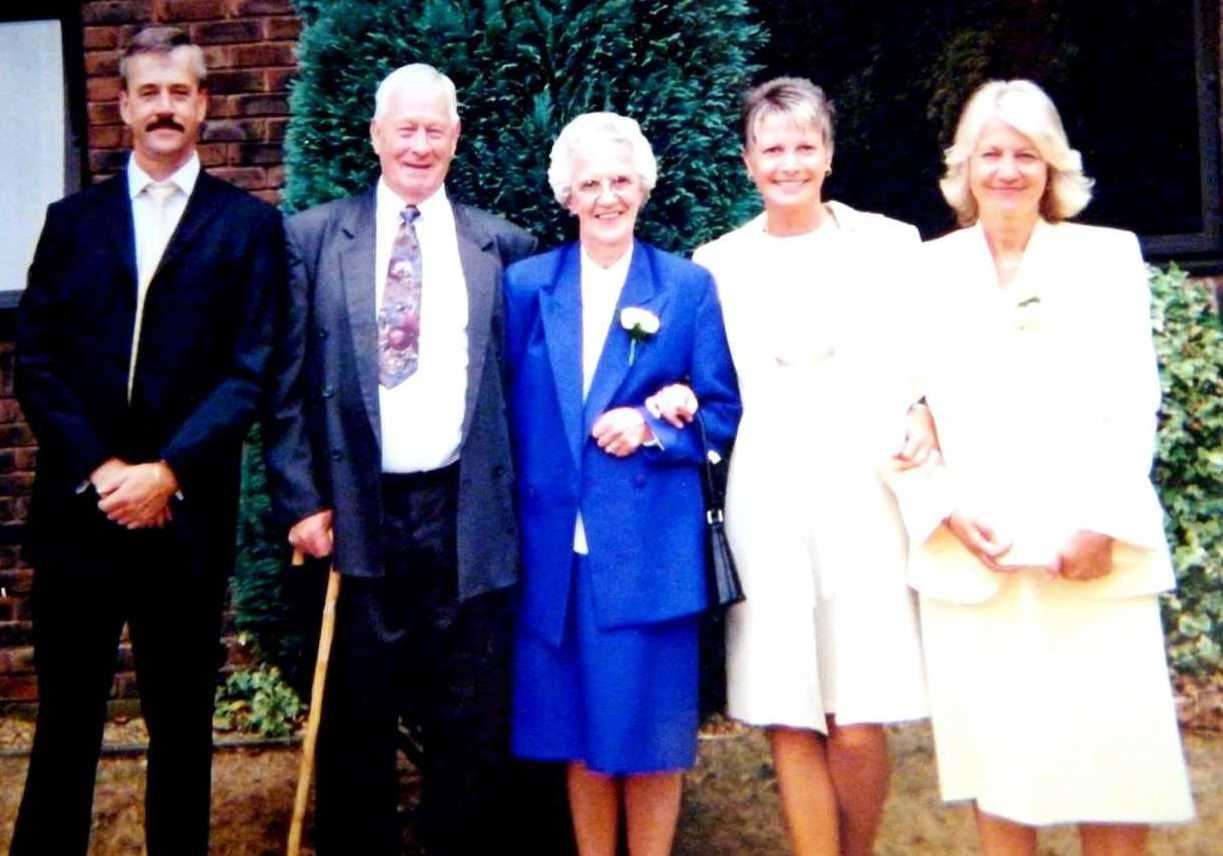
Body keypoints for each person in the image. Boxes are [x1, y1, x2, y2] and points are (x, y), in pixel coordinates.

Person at [260, 63, 556, 855]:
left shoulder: (503, 245)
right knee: (358, 708)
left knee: (469, 711)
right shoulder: (314, 238)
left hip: (465, 507)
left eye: (435, 130)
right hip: (356, 509)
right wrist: (301, 501)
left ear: (455, 140)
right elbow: (282, 388)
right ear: (375, 136)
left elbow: (522, 399)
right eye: (405, 128)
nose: (419, 145)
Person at [898, 79, 1194, 855]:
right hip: (980, 556)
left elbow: (1133, 401)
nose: (1005, 170)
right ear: (963, 169)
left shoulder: (1105, 258)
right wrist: (945, 512)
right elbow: (892, 407)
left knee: (1112, 766)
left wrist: (1102, 523)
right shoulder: (923, 271)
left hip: (1086, 557)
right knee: (1001, 769)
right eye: (989, 153)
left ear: (1052, 166)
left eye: (1024, 154)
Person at [11, 26, 284, 856]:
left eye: (180, 92)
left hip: (183, 518)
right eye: (148, 93)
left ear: (202, 104)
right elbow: (38, 361)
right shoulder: (72, 222)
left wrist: (169, 470)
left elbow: (252, 368)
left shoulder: (246, 228)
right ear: (122, 105)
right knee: (65, 727)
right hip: (79, 513)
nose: (164, 108)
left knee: (179, 732)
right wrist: (103, 471)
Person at [690, 77, 932, 856]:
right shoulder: (715, 263)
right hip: (766, 500)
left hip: (866, 499)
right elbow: (704, 384)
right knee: (787, 710)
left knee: (856, 718)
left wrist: (928, 409)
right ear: (747, 162)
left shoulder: (890, 245)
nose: (788, 163)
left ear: (828, 154)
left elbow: (935, 359)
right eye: (772, 149)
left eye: (803, 146)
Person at [505, 112, 741, 856]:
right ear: (565, 196)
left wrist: (656, 426)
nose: (606, 197)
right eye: (589, 184)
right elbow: (509, 411)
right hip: (558, 555)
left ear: (642, 187)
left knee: (649, 739)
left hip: (647, 551)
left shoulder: (685, 287)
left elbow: (722, 411)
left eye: (619, 181)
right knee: (580, 733)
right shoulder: (525, 287)